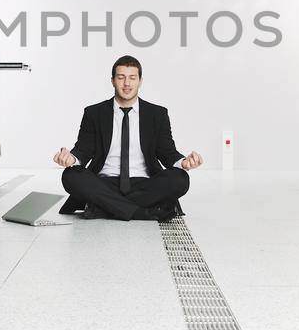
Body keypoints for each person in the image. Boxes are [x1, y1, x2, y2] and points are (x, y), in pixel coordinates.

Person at [52, 54, 203, 221]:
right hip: (104, 183)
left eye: (132, 77)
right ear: (112, 81)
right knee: (71, 176)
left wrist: (183, 162)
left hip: (144, 183)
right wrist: (70, 158)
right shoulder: (94, 113)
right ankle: (140, 212)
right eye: (121, 77)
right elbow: (84, 149)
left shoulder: (157, 114)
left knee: (180, 179)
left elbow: (167, 152)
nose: (127, 83)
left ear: (140, 81)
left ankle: (103, 208)